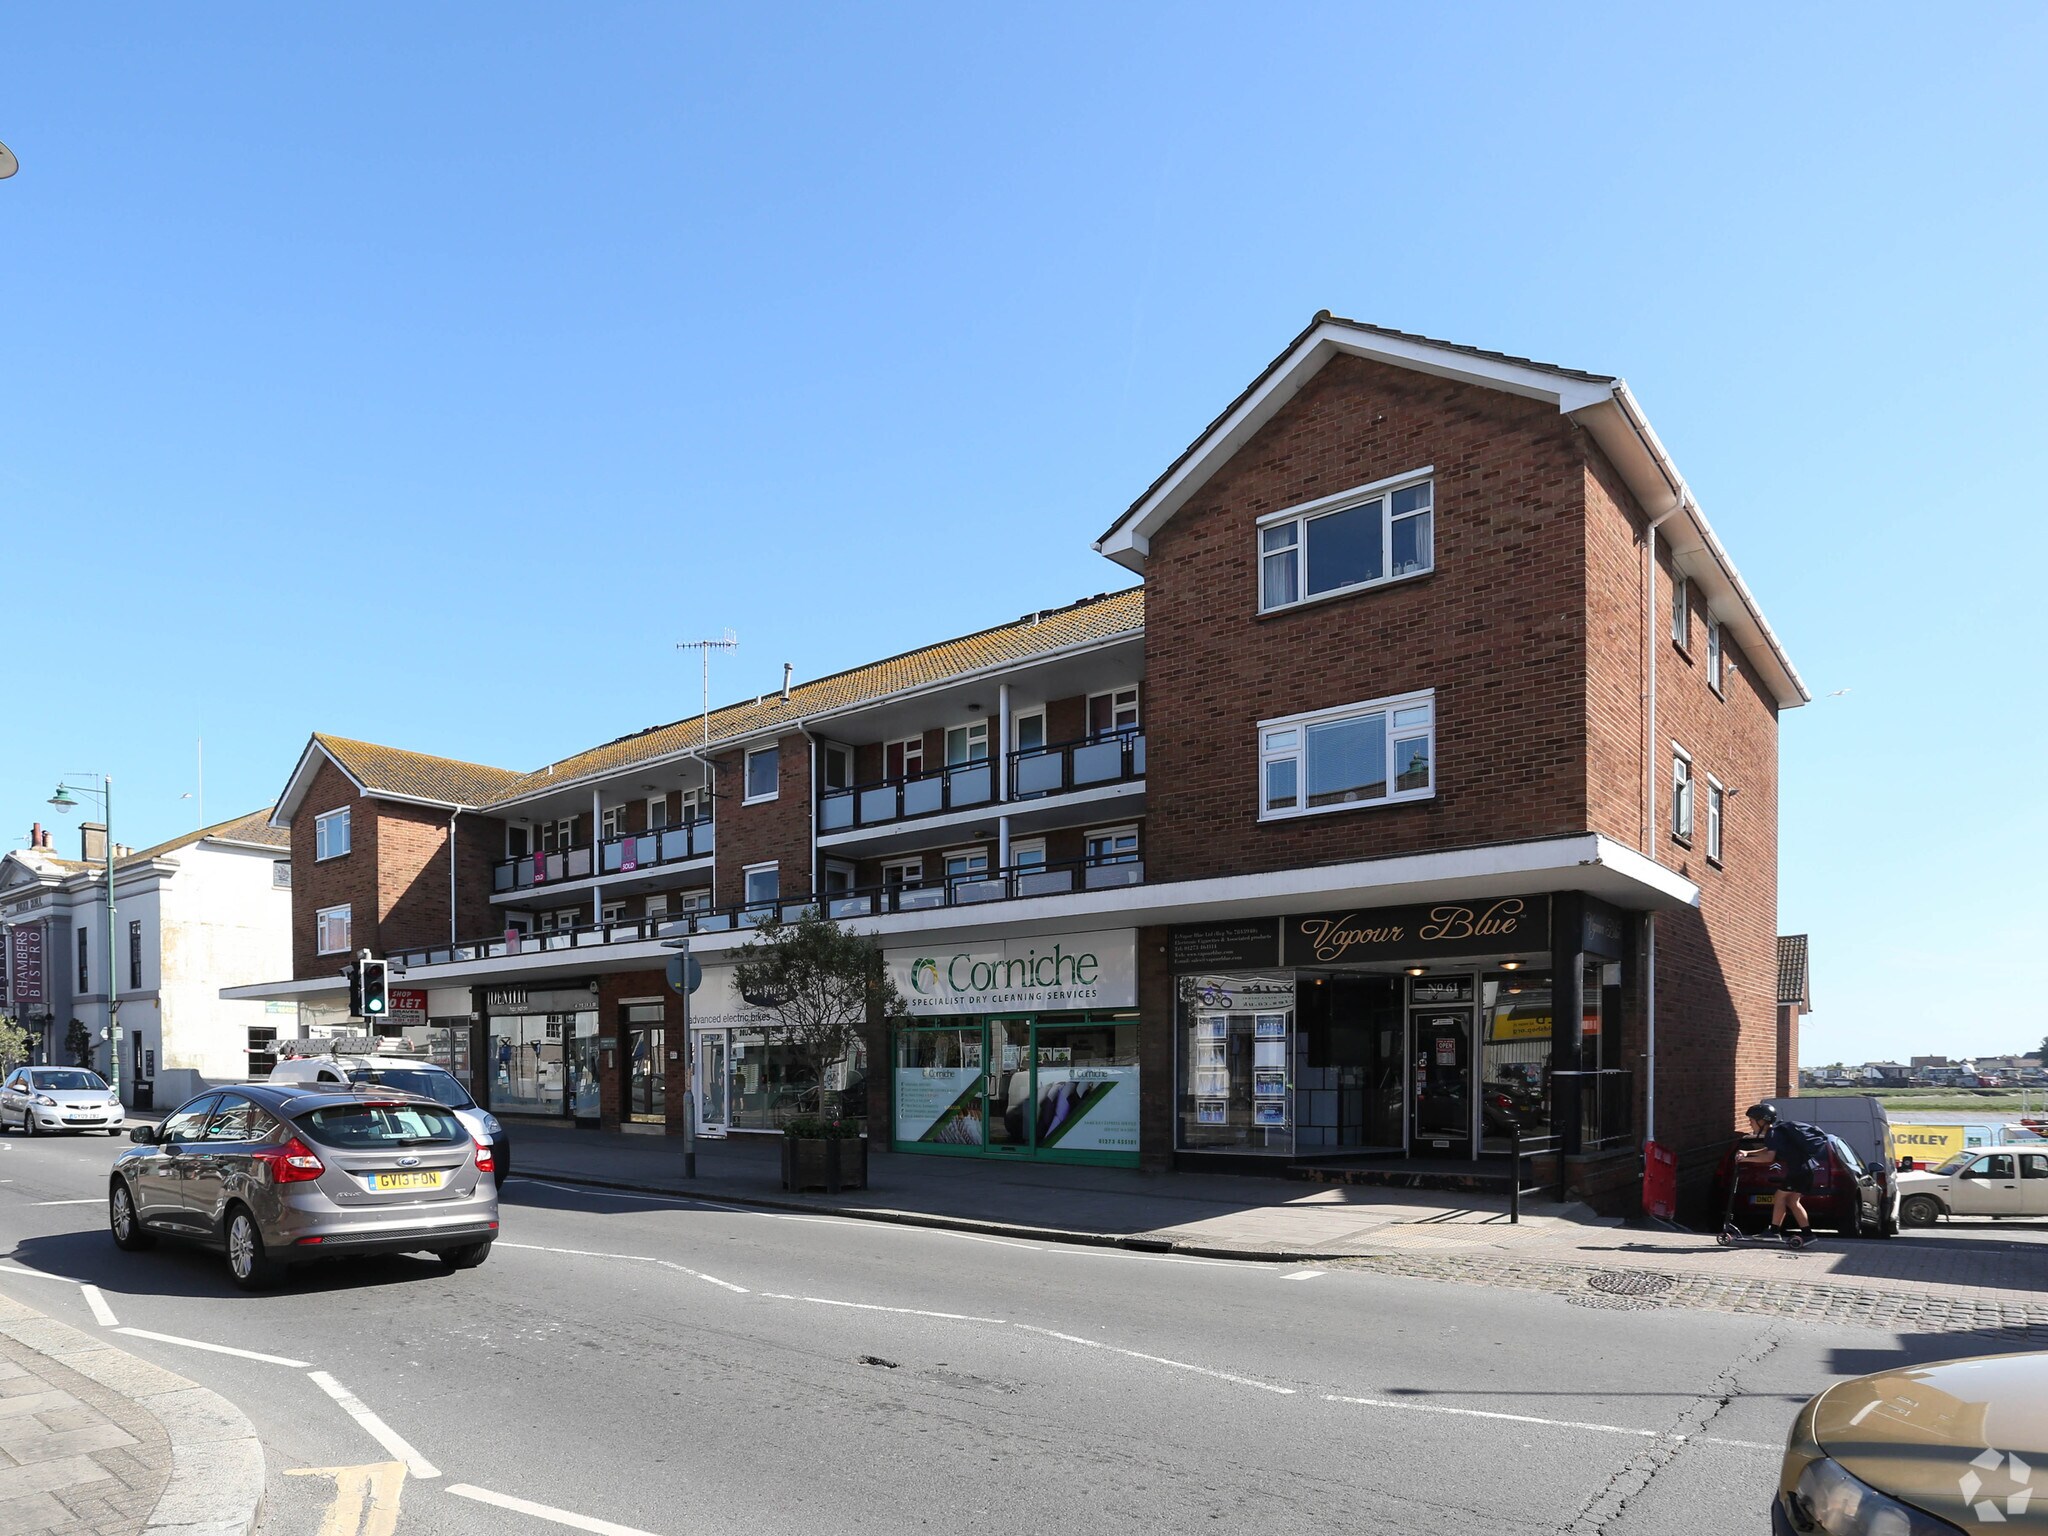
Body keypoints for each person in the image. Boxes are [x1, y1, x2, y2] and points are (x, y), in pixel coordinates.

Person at [1736, 1103, 1827, 1246]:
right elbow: (1769, 1148)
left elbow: (1768, 1157)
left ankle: (1774, 1232)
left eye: (1752, 1120)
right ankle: (1808, 1234)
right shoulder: (1777, 1131)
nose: (1750, 1123)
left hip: (1799, 1171)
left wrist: (1744, 1159)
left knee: (1779, 1197)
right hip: (1806, 1169)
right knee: (1791, 1201)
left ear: (1762, 1121)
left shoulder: (1773, 1133)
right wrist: (1748, 1152)